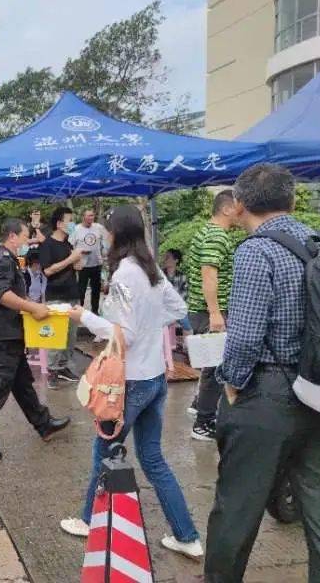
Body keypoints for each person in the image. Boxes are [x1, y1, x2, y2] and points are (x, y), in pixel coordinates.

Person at [203, 164, 320, 582]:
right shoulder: (318, 242)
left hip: (269, 394)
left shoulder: (256, 251)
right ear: (291, 200)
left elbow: (244, 337)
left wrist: (231, 383)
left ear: (239, 205)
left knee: (236, 512)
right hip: (319, 390)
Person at [60, 205, 202, 559]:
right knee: (152, 459)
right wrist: (150, 321)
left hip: (131, 382)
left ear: (117, 233)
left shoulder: (125, 273)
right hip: (155, 378)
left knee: (103, 452)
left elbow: (125, 336)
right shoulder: (150, 267)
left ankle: (89, 521)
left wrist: (84, 316)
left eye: (107, 230)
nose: (105, 236)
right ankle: (186, 537)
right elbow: (178, 309)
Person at [0, 218, 71, 460]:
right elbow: (1, 293)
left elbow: (9, 292)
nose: (27, 241)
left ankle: (43, 424)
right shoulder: (2, 260)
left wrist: (31, 305)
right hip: (4, 334)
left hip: (10, 333)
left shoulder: (4, 258)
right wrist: (32, 308)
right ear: (12, 236)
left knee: (22, 384)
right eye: (24, 237)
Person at [186, 190, 237, 441]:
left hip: (204, 310)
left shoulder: (208, 231)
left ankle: (199, 404)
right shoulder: (216, 235)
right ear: (227, 209)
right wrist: (215, 312)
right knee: (215, 368)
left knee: (212, 364)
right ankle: (202, 423)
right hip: (210, 312)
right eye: (239, 206)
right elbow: (209, 274)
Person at [40, 206, 85, 387]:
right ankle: (52, 371)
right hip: (56, 296)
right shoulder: (47, 245)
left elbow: (77, 267)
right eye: (69, 220)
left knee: (71, 336)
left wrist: (78, 259)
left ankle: (64, 367)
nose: (72, 224)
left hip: (72, 294)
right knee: (56, 335)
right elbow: (48, 271)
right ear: (59, 223)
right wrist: (70, 259)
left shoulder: (69, 243)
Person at [71, 210, 107, 316]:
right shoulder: (76, 229)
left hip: (97, 263)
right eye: (89, 216)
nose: (91, 218)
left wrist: (104, 254)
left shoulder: (99, 227)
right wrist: (80, 252)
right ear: (83, 217)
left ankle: (95, 311)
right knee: (81, 290)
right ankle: (80, 311)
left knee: (96, 289)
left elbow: (105, 242)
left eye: (92, 215)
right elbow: (71, 245)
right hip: (82, 265)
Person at [162, 249, 194, 345]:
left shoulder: (182, 276)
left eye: (168, 257)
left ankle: (187, 347)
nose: (165, 259)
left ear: (176, 260)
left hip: (177, 308)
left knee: (187, 325)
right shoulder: (160, 275)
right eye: (165, 257)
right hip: (163, 308)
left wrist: (176, 307)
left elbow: (184, 295)